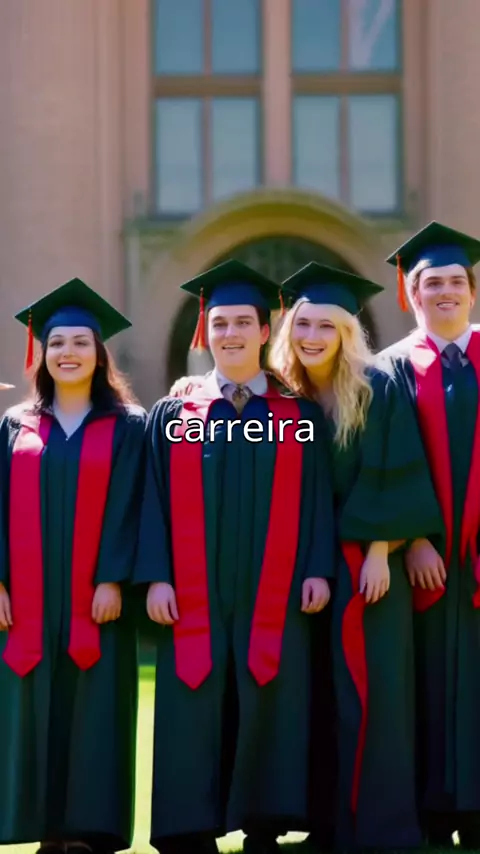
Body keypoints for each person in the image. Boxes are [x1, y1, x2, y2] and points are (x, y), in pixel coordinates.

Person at [134, 259, 335, 854]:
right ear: (207, 331)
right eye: (219, 323)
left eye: (243, 322)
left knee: (270, 690)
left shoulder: (295, 416)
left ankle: (263, 823)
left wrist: (318, 568)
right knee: (193, 698)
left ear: (265, 331)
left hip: (275, 584)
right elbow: (153, 498)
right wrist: (156, 577)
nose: (231, 334)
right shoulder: (178, 415)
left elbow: (317, 496)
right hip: (192, 585)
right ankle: (188, 825)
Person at [269, 262, 442, 850]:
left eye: (327, 326)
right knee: (311, 691)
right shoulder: (282, 396)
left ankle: (380, 827)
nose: (312, 336)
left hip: (367, 565)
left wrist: (379, 550)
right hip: (299, 566)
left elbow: (393, 467)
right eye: (303, 324)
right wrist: (186, 390)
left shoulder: (375, 387)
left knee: (375, 693)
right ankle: (323, 822)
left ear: (347, 332)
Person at [0, 278, 146, 854]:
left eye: (81, 342)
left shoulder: (129, 426)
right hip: (27, 600)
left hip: (96, 598)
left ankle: (87, 830)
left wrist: (113, 578)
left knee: (93, 708)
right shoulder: (14, 425)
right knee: (33, 706)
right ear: (42, 353)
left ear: (99, 353)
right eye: (57, 342)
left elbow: (135, 505)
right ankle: (42, 830)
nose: (68, 352)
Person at [381, 221, 480, 848]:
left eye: (455, 282)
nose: (445, 292)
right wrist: (413, 537)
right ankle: (434, 808)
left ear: (472, 290)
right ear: (411, 294)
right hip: (424, 560)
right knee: (424, 680)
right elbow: (388, 459)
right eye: (432, 283)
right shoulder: (391, 367)